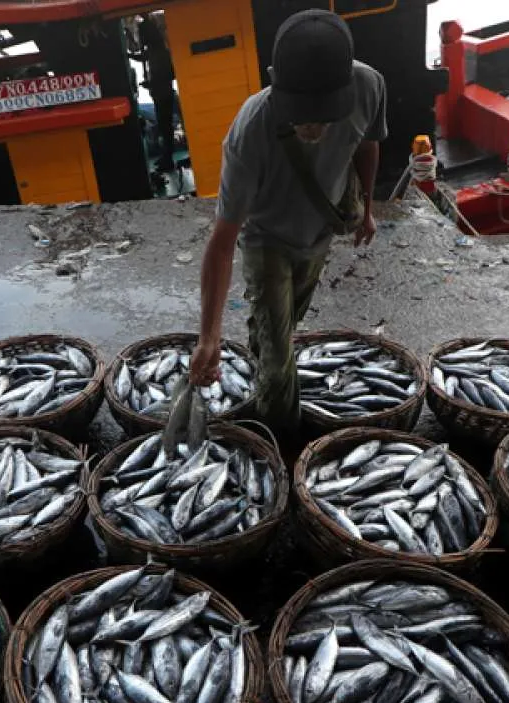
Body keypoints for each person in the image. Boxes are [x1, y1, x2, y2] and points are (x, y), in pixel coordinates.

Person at [187, 9, 386, 446]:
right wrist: (209, 337)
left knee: (282, 326)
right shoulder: (249, 131)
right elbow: (221, 243)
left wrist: (368, 208)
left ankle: (264, 343)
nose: (313, 127)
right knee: (279, 363)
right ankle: (283, 449)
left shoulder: (369, 86)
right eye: (302, 115)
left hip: (320, 230)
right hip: (268, 241)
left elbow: (368, 145)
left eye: (323, 114)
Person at [136, 12, 179, 172]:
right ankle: (166, 157)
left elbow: (168, 73)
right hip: (160, 92)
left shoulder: (159, 52)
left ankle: (168, 159)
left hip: (164, 94)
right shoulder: (156, 50)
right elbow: (143, 57)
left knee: (166, 128)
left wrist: (151, 83)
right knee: (164, 127)